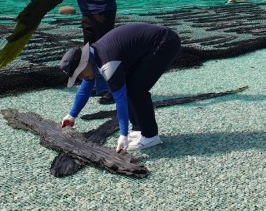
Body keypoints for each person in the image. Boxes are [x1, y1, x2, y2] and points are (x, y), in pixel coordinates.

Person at [59, 22, 181, 152]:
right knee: (130, 87)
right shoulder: (91, 57)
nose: (80, 78)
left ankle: (150, 136)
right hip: (152, 42)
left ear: (84, 63)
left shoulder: (107, 64)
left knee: (136, 89)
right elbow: (84, 89)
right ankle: (139, 128)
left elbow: (120, 100)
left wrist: (123, 134)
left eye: (79, 74)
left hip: (164, 42)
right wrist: (71, 115)